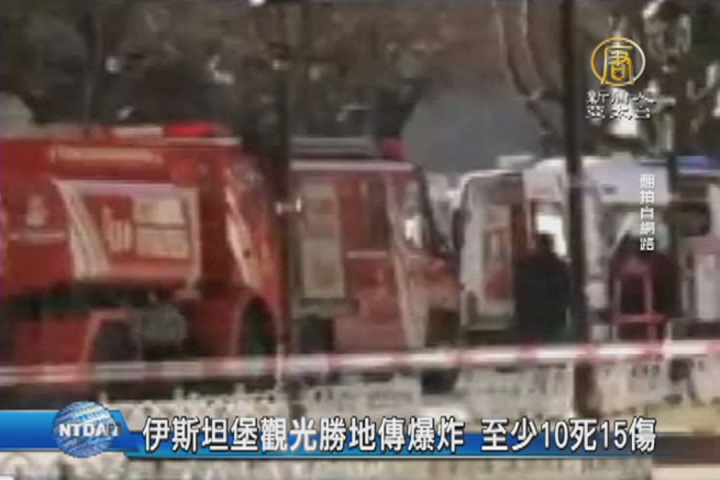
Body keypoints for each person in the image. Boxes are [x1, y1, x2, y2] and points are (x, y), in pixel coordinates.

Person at [513, 233, 571, 343]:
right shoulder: (559, 265)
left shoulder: (525, 265)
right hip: (554, 317)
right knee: (553, 346)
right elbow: (566, 291)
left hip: (531, 318)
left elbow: (520, 292)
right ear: (551, 245)